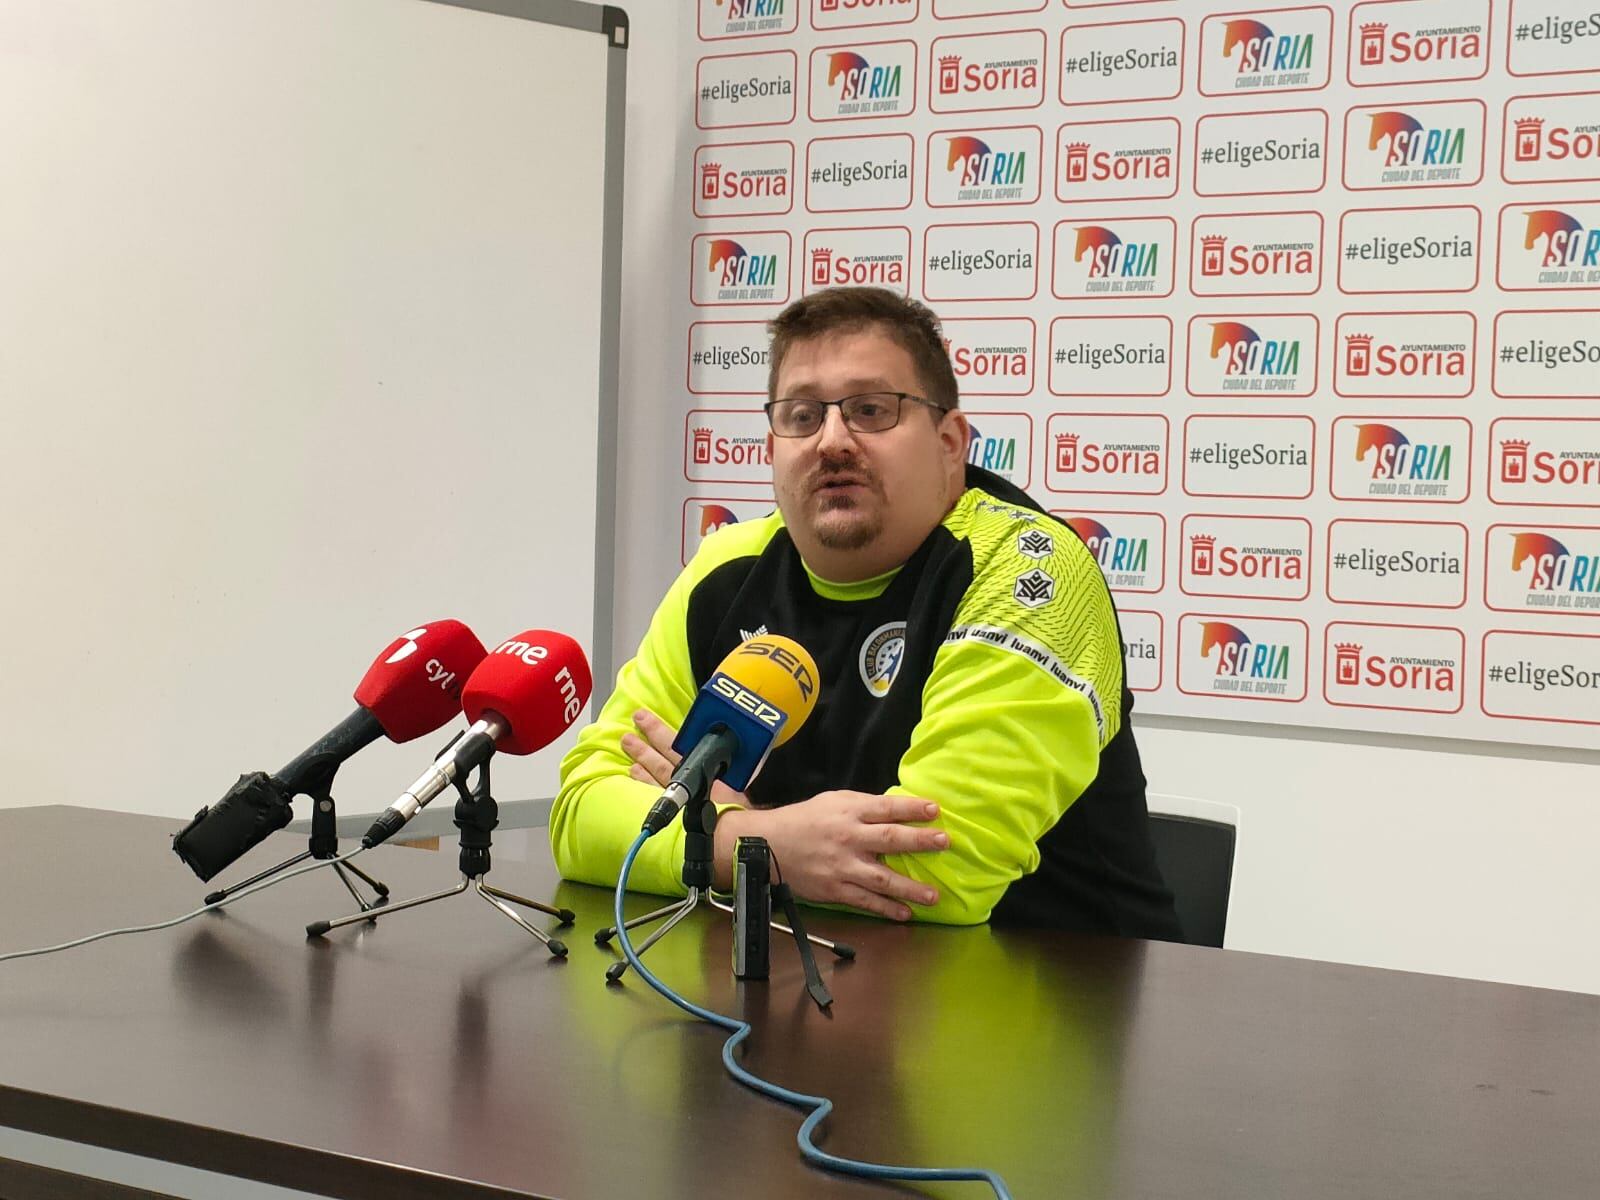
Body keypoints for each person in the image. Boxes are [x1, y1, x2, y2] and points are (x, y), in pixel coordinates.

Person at [551, 287, 1181, 938]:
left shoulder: (1027, 569)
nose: (831, 441)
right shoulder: (725, 567)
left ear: (949, 441)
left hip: (1064, 1005)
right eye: (800, 416)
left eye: (871, 410)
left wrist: (710, 829)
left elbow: (936, 878)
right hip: (797, 983)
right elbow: (579, 817)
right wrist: (757, 839)